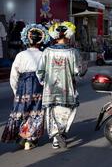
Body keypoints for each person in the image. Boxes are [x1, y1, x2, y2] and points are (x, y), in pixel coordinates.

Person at [1, 24, 50, 150]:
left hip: (23, 87)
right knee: (36, 111)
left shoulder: (20, 55)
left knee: (21, 111)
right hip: (39, 86)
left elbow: (14, 75)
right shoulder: (44, 55)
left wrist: (15, 90)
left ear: (27, 40)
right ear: (41, 41)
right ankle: (31, 139)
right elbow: (47, 74)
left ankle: (22, 137)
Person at [36, 21, 83, 149]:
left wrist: (43, 82)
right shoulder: (72, 52)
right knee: (68, 110)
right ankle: (61, 133)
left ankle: (56, 137)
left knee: (51, 111)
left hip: (50, 88)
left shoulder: (47, 51)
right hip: (67, 88)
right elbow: (78, 70)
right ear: (68, 36)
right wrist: (80, 74)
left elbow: (40, 70)